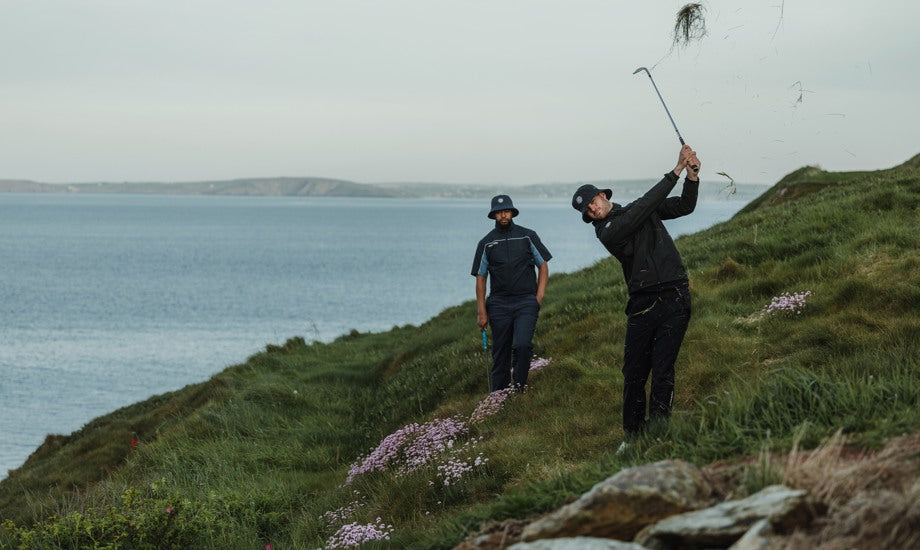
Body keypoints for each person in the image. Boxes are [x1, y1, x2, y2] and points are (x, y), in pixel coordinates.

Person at [571, 144, 700, 450]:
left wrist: (691, 177)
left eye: (593, 201)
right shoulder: (607, 231)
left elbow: (684, 206)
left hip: (674, 295)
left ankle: (657, 433)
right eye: (587, 210)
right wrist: (676, 170)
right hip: (642, 306)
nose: (592, 208)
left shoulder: (636, 210)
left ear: (604, 196)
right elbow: (641, 210)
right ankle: (632, 437)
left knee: (663, 368)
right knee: (633, 374)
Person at [472, 195, 552, 392]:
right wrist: (482, 312)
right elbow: (480, 278)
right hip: (498, 304)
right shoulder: (486, 243)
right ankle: (498, 396)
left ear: (512, 212)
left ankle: (519, 388)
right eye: (499, 212)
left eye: (506, 211)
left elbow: (543, 265)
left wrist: (538, 297)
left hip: (526, 301)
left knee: (522, 345)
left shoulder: (528, 236)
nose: (503, 215)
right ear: (493, 215)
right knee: (501, 352)